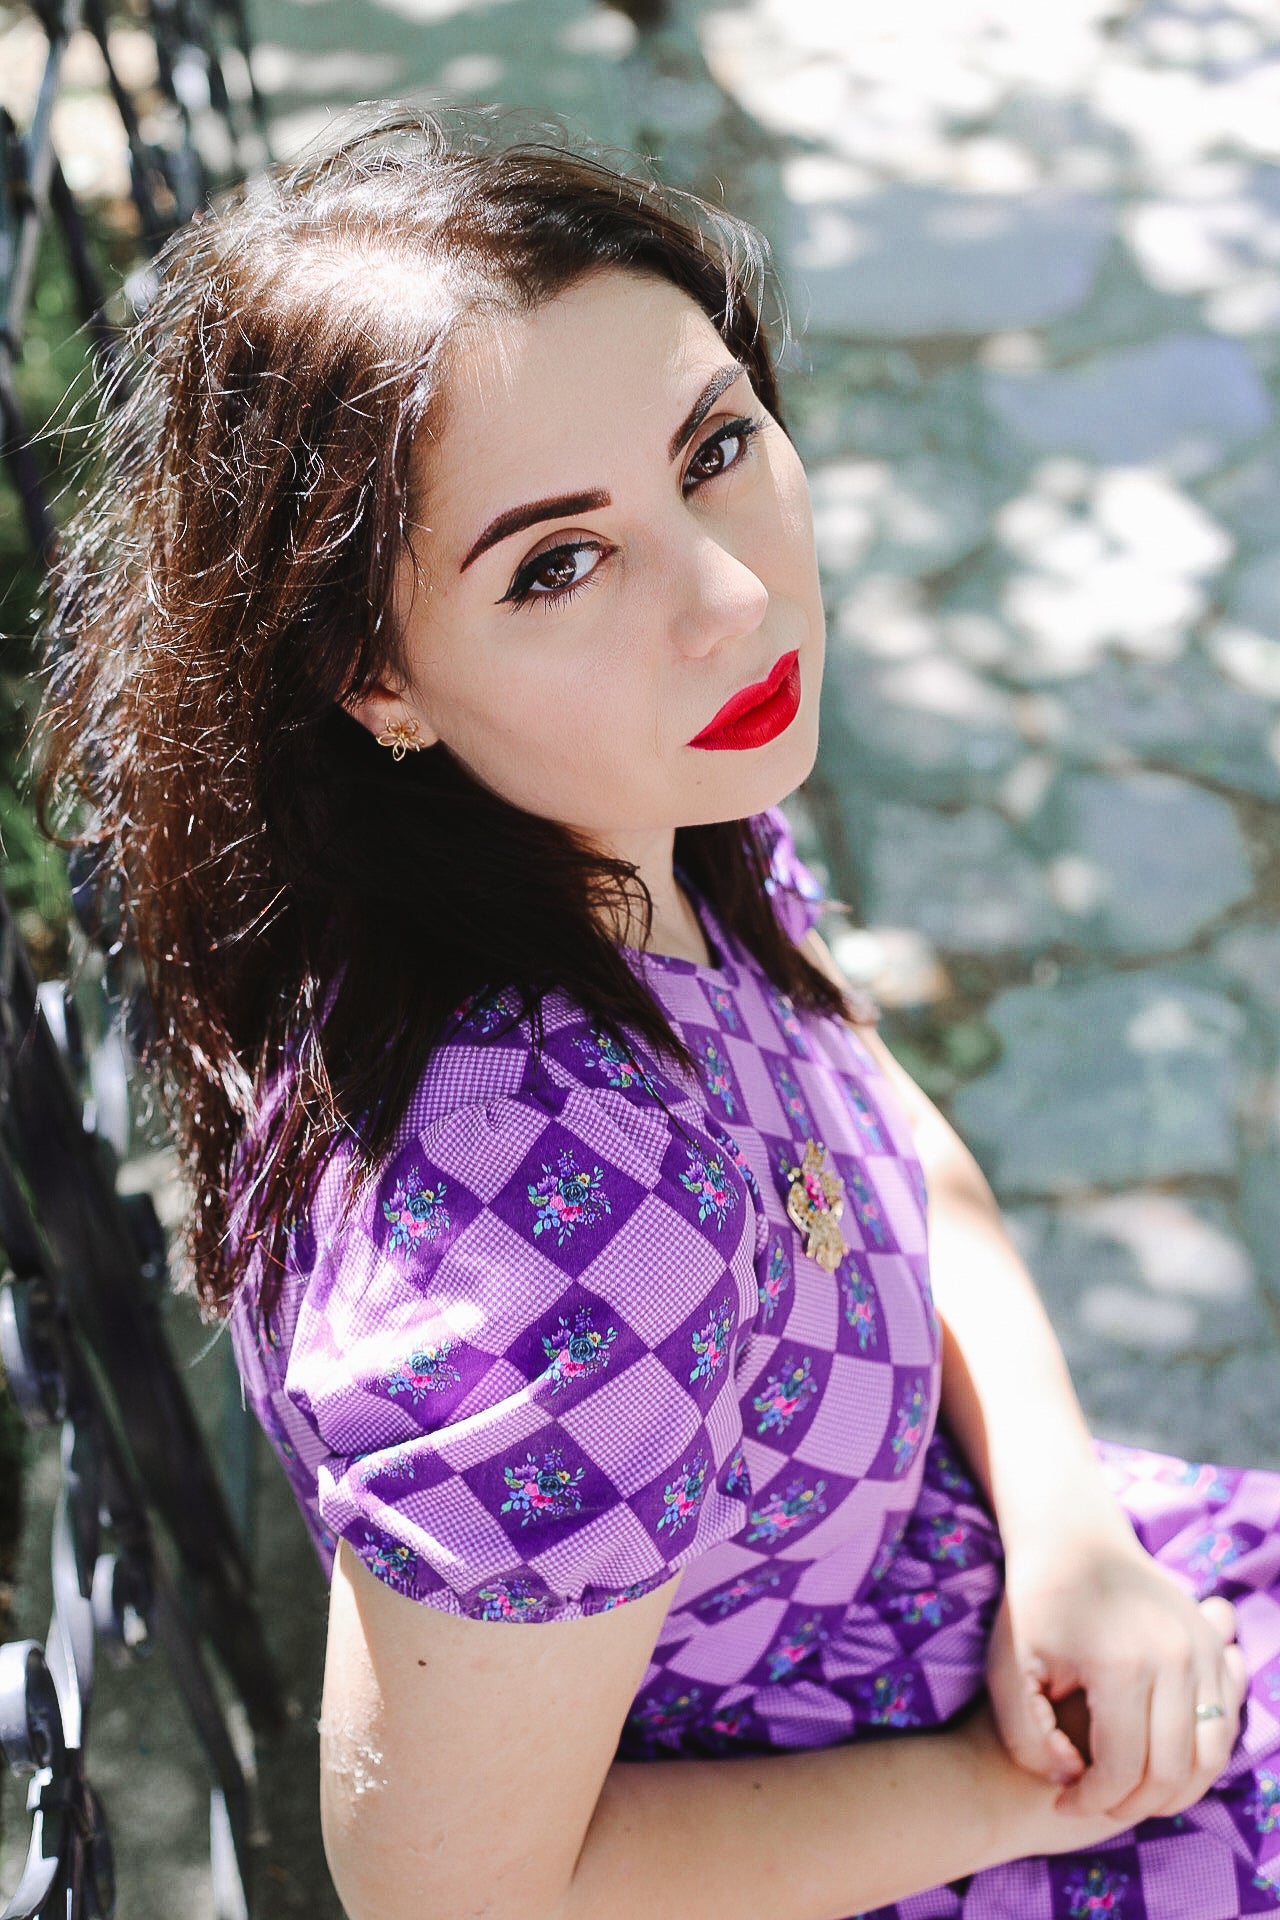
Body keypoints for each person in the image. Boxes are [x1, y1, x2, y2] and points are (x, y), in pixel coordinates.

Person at [36, 108, 1280, 1920]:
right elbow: (459, 1899)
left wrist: (1072, 1532)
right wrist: (1025, 1796)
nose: (731, 591)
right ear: (373, 676)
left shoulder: (627, 809)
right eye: (556, 561)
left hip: (1020, 1589)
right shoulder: (539, 1266)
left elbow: (871, 1120)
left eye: (712, 448)